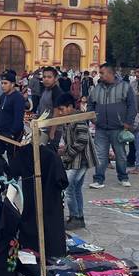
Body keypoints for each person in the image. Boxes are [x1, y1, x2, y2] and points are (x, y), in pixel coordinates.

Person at [87, 63, 137, 188]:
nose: (100, 75)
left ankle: (123, 177)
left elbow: (132, 106)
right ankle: (98, 179)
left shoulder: (125, 87)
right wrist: (92, 117)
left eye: (102, 73)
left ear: (110, 73)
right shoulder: (96, 88)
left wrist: (128, 123)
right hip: (101, 128)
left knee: (120, 154)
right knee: (100, 155)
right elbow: (90, 105)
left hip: (119, 128)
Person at [56, 93, 97, 229]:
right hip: (76, 159)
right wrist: (64, 150)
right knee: (76, 188)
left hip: (80, 160)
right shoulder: (68, 120)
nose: (61, 113)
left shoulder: (78, 119)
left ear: (70, 107)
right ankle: (79, 216)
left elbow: (82, 140)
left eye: (62, 109)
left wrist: (68, 154)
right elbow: (72, 140)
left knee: (69, 188)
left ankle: (75, 216)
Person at [0, 69, 26, 153]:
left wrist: (12, 133)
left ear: (12, 84)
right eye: (2, 83)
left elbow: (18, 118)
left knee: (12, 156)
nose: (3, 86)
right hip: (1, 132)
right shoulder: (3, 96)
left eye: (5, 83)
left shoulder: (18, 98)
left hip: (13, 135)